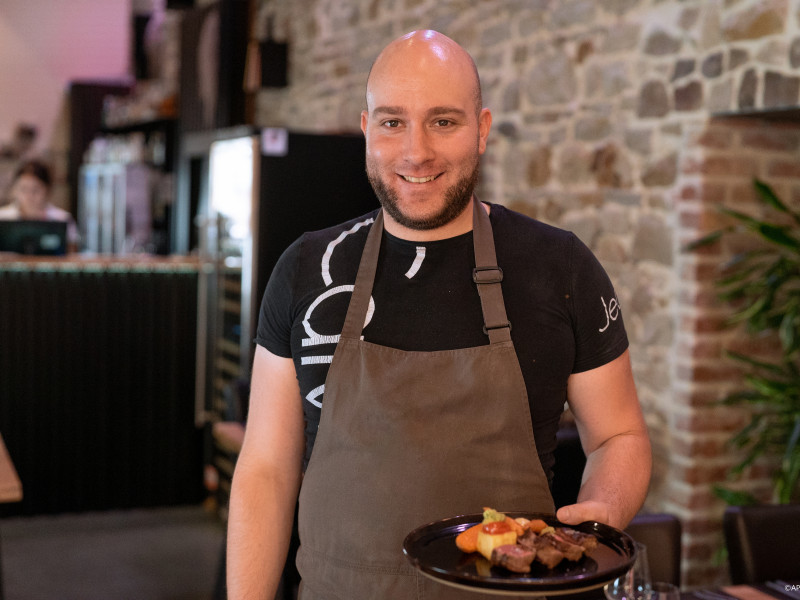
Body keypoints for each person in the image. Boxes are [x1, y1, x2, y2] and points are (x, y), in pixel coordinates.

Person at [226, 30, 651, 600]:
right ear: (366, 128)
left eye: (443, 121)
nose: (415, 151)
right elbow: (266, 472)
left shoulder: (560, 266)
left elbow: (619, 435)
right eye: (392, 122)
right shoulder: (307, 268)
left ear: (482, 129)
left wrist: (603, 510)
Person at [0, 159, 79, 250]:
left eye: (35, 190)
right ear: (14, 190)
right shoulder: (2, 217)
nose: (29, 196)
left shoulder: (62, 219)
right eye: (23, 189)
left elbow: (72, 252)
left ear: (48, 190)